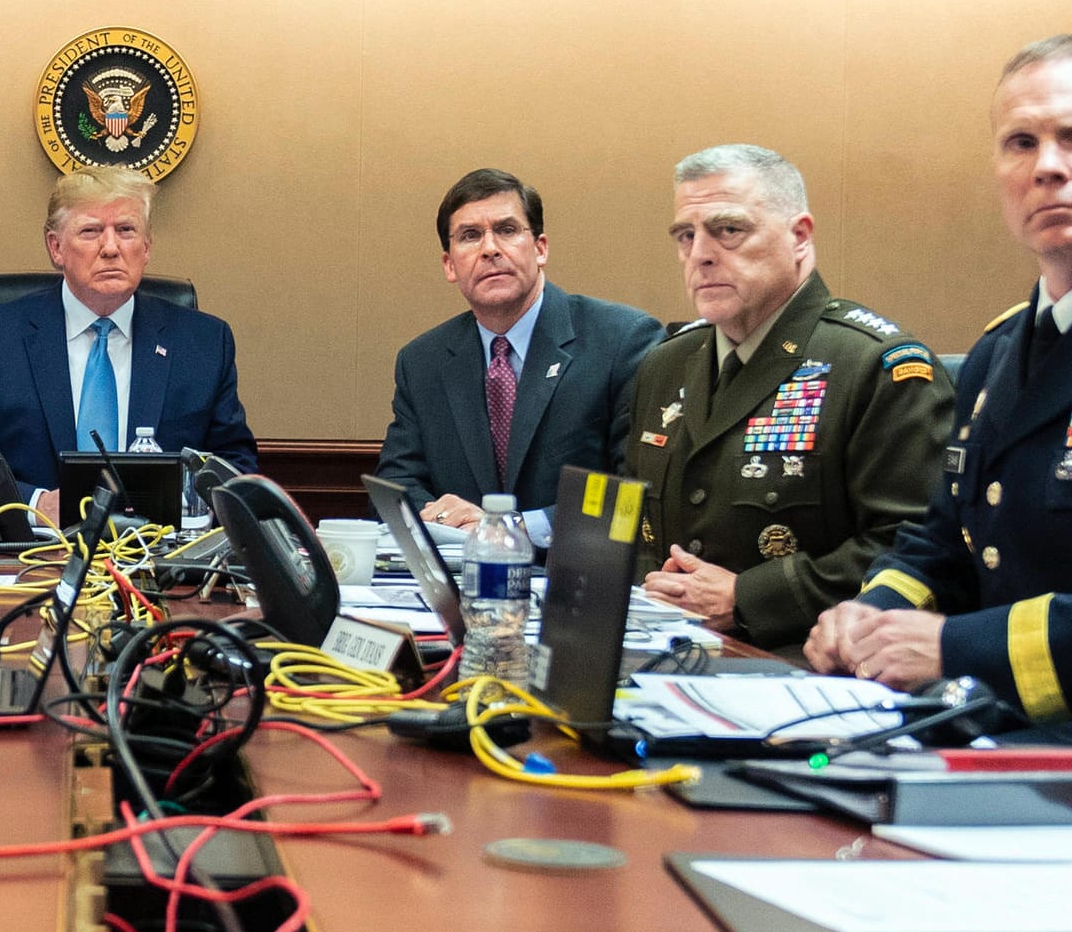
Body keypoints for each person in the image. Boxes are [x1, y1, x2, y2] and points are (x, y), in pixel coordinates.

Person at [807, 35, 1072, 721]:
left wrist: (960, 648)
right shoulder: (998, 351)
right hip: (979, 729)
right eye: (1021, 143)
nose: (1048, 167)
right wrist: (869, 616)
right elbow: (944, 545)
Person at [625, 145, 953, 651]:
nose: (701, 254)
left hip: (804, 661)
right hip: (661, 652)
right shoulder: (665, 364)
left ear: (799, 236)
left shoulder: (874, 365)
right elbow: (633, 516)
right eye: (686, 236)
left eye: (728, 230)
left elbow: (915, 547)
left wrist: (748, 597)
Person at [0, 165, 257, 522]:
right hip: (26, 558)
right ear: (56, 248)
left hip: (159, 558)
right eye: (91, 231)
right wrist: (35, 504)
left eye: (126, 230)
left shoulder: (204, 343)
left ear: (146, 248)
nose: (111, 248)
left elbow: (233, 467)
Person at [374, 168, 660, 544]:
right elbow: (398, 481)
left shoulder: (621, 341)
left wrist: (509, 530)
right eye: (470, 236)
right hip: (461, 578)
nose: (490, 249)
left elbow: (637, 491)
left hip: (574, 580)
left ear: (540, 248)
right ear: (449, 265)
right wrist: (447, 524)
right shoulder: (423, 361)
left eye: (507, 230)